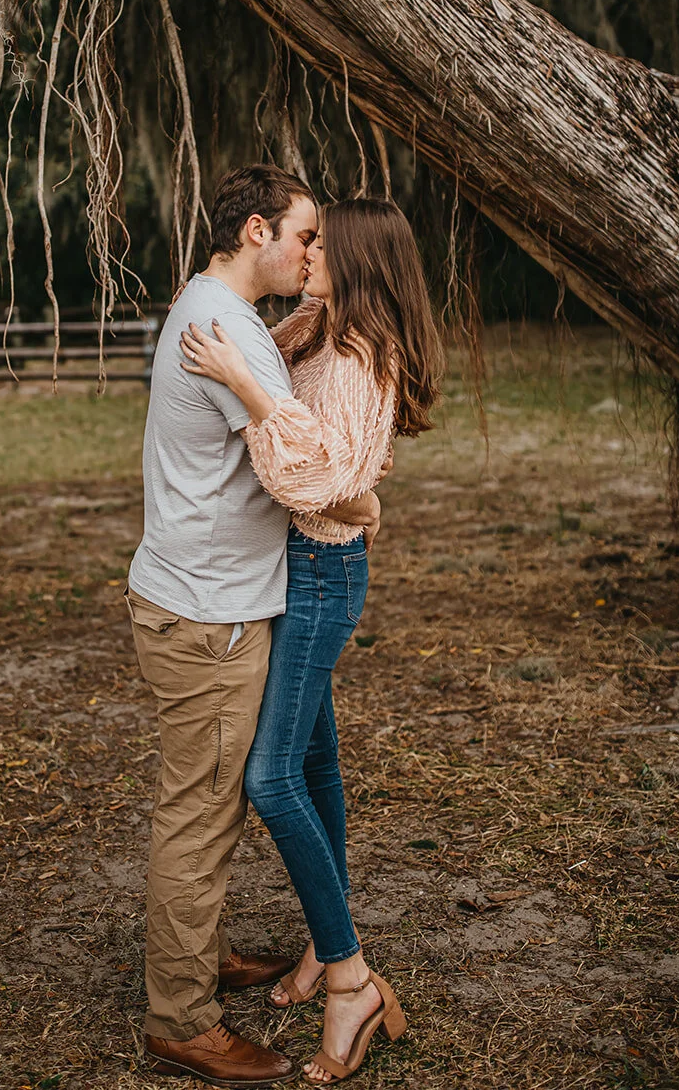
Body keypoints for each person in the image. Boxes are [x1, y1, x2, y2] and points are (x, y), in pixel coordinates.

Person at [127, 165, 380, 1087]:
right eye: (305, 237)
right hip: (209, 613)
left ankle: (194, 957)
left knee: (220, 796)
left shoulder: (211, 304)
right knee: (201, 814)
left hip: (202, 595)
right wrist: (361, 499)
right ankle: (181, 1017)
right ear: (255, 232)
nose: (316, 253)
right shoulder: (231, 331)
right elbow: (301, 469)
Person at [180, 197, 441, 1085]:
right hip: (294, 569)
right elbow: (276, 362)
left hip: (323, 577)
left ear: (361, 260)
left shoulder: (364, 355)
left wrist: (253, 392)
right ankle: (321, 944)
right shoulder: (321, 326)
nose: (309, 253)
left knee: (270, 776)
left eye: (323, 245)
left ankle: (350, 978)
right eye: (306, 236)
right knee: (317, 765)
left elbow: (321, 478)